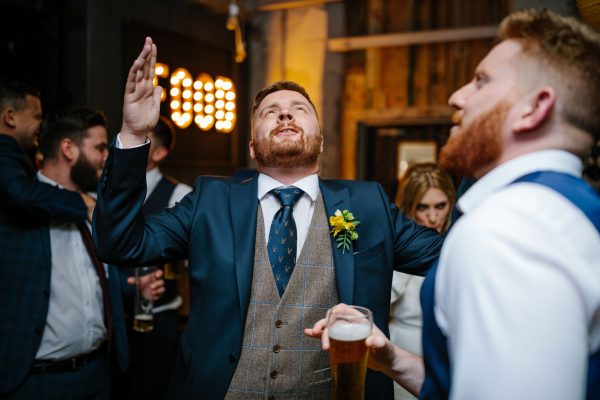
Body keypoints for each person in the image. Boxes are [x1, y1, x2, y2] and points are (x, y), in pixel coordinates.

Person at [93, 37, 444, 399]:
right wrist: (135, 134)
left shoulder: (368, 204)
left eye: (299, 109)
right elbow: (120, 243)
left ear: (321, 141)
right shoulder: (210, 201)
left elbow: (452, 257)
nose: (285, 114)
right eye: (269, 111)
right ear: (252, 145)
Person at [308, 9, 600, 400]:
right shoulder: (565, 209)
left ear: (534, 107)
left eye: (481, 81)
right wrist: (394, 361)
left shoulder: (510, 229)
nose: (457, 96)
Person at [0, 107, 164, 399]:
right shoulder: (17, 207)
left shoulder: (96, 208)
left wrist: (133, 289)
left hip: (99, 374)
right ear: (68, 149)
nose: (107, 157)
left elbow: (94, 283)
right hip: (35, 381)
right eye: (101, 148)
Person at [116, 115, 192, 400]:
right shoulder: (109, 189)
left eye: (143, 141)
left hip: (157, 320)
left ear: (159, 153)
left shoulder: (179, 194)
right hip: (113, 320)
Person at [389, 163, 454, 400]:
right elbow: (377, 301)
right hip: (404, 345)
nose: (433, 217)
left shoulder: (458, 242)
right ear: (408, 207)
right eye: (422, 207)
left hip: (449, 350)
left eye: (440, 206)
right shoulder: (397, 247)